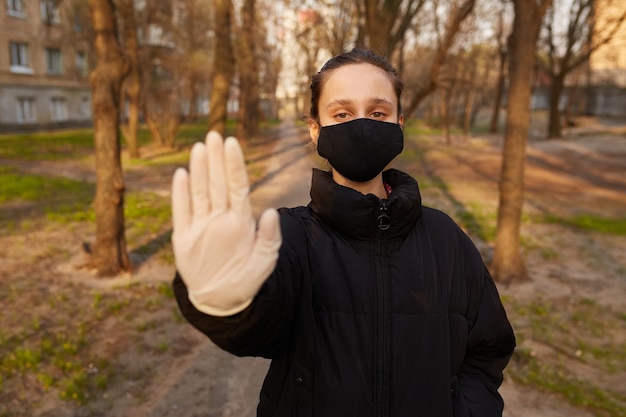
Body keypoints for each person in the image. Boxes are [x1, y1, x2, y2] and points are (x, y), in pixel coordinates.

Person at [171, 47, 515, 417]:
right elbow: (257, 332)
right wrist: (223, 302)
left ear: (399, 124)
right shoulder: (289, 236)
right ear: (316, 129)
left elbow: (487, 351)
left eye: (378, 112)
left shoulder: (446, 239)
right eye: (342, 113)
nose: (362, 124)